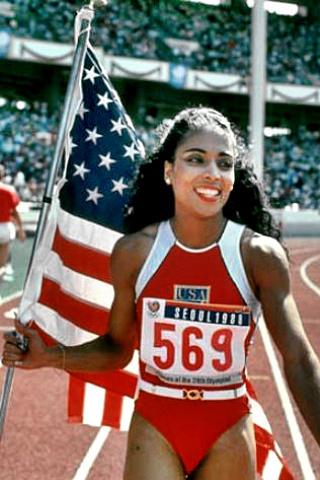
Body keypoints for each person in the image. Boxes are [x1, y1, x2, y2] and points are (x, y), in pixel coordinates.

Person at [2, 107, 320, 479]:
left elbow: (298, 359)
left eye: (224, 163)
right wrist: (51, 357)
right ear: (169, 171)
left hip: (228, 426)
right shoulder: (136, 252)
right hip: (156, 424)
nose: (212, 173)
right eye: (196, 159)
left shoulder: (259, 255)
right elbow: (118, 348)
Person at [0, 164, 25, 275]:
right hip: (5, 227)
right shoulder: (9, 190)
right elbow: (14, 212)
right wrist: (20, 229)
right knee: (2, 259)